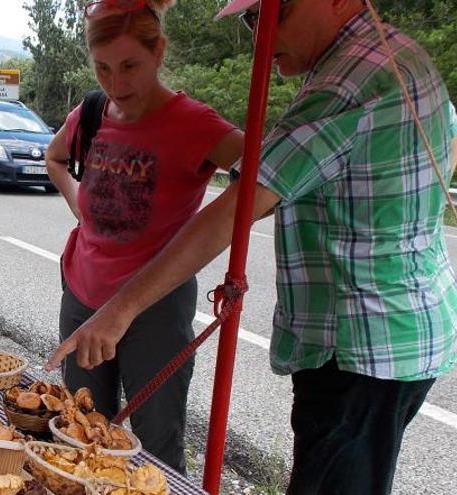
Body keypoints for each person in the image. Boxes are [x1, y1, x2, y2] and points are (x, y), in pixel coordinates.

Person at [47, 0, 457, 492]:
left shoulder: (349, 82)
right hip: (373, 336)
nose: (260, 32)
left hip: (363, 343)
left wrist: (121, 309)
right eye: (251, 18)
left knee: (156, 446)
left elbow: (244, 201)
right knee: (79, 422)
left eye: (275, 13)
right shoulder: (390, 59)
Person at [44, 0, 244, 472]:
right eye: (103, 68)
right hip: (83, 296)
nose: (116, 84)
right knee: (81, 426)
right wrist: (80, 208)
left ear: (159, 53)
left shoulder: (194, 123)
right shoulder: (91, 111)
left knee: (155, 443)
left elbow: (264, 177)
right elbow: (54, 158)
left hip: (154, 311)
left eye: (130, 65)